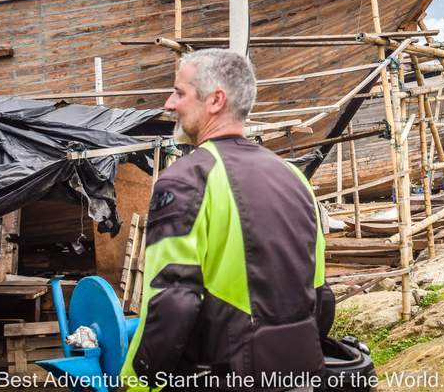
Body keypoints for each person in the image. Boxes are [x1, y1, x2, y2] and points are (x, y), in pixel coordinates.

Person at [121, 49, 330, 391]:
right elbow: (321, 295)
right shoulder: (295, 177)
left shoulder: (185, 180)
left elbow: (172, 304)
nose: (169, 104)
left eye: (179, 92)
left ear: (215, 100)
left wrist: (136, 382)